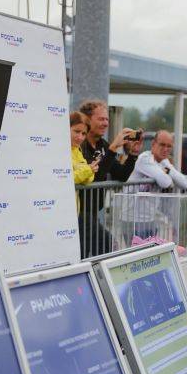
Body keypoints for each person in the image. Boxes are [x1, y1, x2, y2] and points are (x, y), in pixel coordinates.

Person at [77, 99, 138, 256]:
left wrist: (132, 154)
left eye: (107, 119)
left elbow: (121, 175)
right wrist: (113, 148)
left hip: (92, 214)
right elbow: (94, 178)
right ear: (87, 120)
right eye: (100, 119)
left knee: (104, 249)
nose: (105, 123)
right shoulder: (79, 145)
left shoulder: (103, 145)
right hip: (78, 214)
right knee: (99, 248)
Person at [70, 111, 98, 210]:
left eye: (84, 133)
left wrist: (90, 170)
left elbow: (88, 180)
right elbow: (66, 178)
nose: (80, 137)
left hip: (73, 209)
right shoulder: (58, 150)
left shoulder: (77, 150)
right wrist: (89, 170)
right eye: (77, 131)